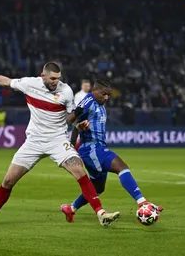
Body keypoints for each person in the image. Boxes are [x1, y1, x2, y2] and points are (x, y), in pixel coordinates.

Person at [0, 62, 120, 226]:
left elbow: (71, 115)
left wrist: (78, 126)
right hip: (34, 142)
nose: (56, 82)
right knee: (8, 180)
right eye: (52, 78)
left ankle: (101, 214)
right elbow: (5, 81)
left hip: (58, 140)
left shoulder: (66, 91)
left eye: (58, 79)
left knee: (79, 170)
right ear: (43, 75)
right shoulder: (29, 84)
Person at [61, 78, 163, 223]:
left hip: (96, 149)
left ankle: (71, 209)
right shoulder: (88, 101)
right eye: (104, 94)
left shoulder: (99, 104)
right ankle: (142, 202)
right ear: (94, 90)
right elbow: (69, 120)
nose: (107, 97)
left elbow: (77, 125)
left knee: (98, 188)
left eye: (109, 94)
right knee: (121, 167)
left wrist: (76, 133)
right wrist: (70, 144)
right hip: (92, 148)